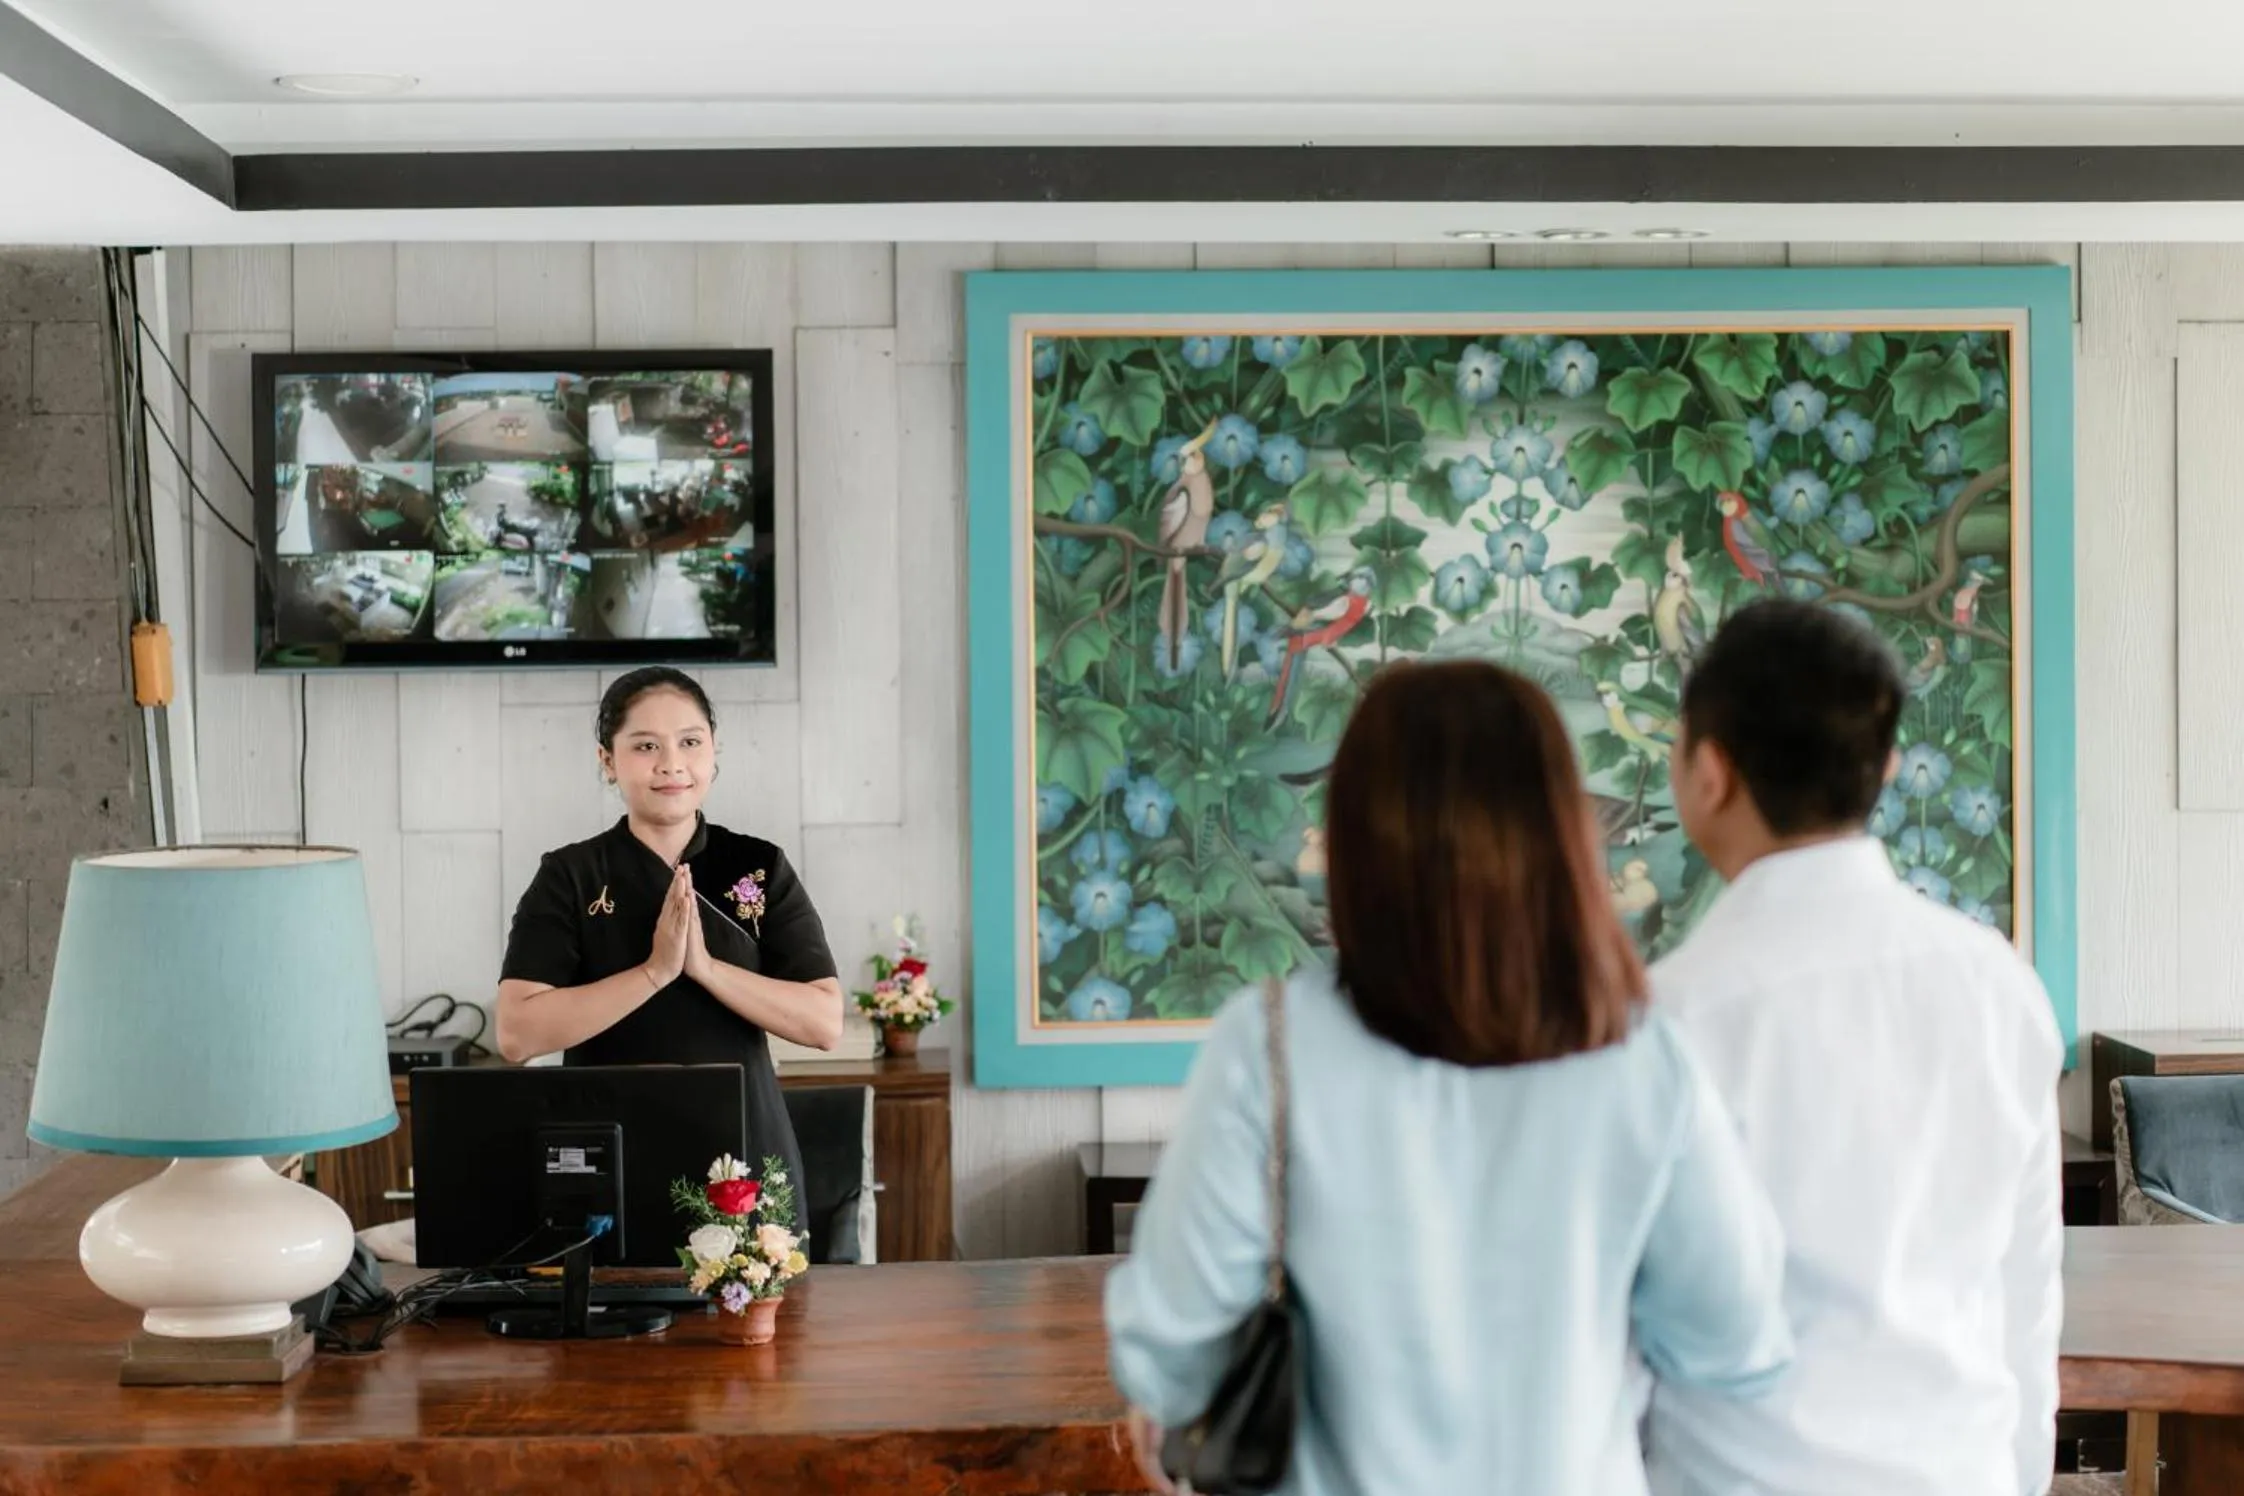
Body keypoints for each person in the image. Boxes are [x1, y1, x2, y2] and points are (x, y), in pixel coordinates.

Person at [1104, 660, 1793, 1495]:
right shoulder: (1643, 1057)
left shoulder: (1270, 1045)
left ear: (1356, 833)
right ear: (1564, 835)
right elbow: (1734, 1339)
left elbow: (1173, 1344)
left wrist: (1166, 1399)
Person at [1645, 600, 2063, 1496]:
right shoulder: (2000, 986)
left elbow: (1621, 1329)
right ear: (1888, 769)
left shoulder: (1671, 1018)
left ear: (1708, 773)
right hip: (1962, 1474)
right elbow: (2026, 1292)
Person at [492, 667, 844, 1222]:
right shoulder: (571, 874)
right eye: (645, 746)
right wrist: (654, 971)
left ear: (713, 752)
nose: (671, 764)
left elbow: (823, 1021)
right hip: (608, 1159)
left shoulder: (756, 866)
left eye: (690, 742)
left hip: (742, 1159)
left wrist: (705, 969)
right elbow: (516, 1034)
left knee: (755, 1310)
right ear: (607, 760)